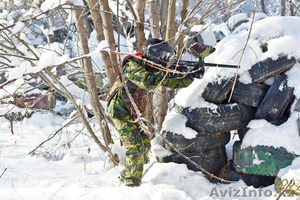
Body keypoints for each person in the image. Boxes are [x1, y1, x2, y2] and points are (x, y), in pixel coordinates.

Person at [105, 38, 213, 187]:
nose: (164, 59)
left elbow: (171, 82)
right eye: (162, 55)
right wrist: (170, 73)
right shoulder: (133, 65)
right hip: (118, 111)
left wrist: (190, 76)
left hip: (129, 111)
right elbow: (148, 82)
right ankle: (131, 185)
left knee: (144, 143)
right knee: (136, 147)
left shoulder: (151, 68)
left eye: (166, 56)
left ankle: (125, 177)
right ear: (153, 53)